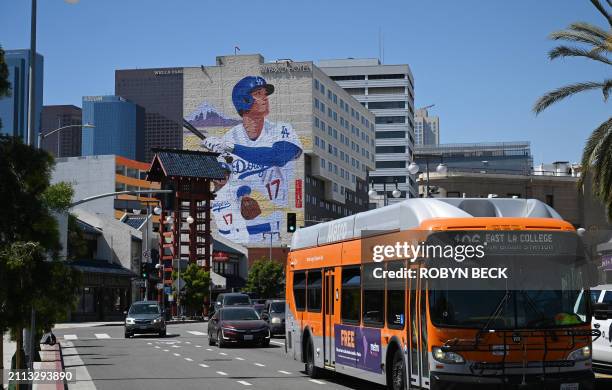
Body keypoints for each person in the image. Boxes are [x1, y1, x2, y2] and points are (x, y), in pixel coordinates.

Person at [202, 76, 303, 239]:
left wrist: (231, 148)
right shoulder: (229, 137)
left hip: (272, 231)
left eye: (265, 93)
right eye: (259, 93)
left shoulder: (282, 129)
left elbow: (278, 156)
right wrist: (212, 158)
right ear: (244, 99)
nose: (265, 98)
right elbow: (219, 185)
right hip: (236, 232)